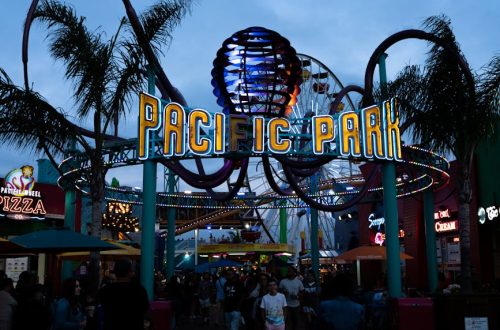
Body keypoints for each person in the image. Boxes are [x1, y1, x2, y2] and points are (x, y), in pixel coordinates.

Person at [98, 259, 149, 330]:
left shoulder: (105, 290)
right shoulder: (139, 290)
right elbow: (145, 310)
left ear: (115, 272)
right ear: (129, 272)